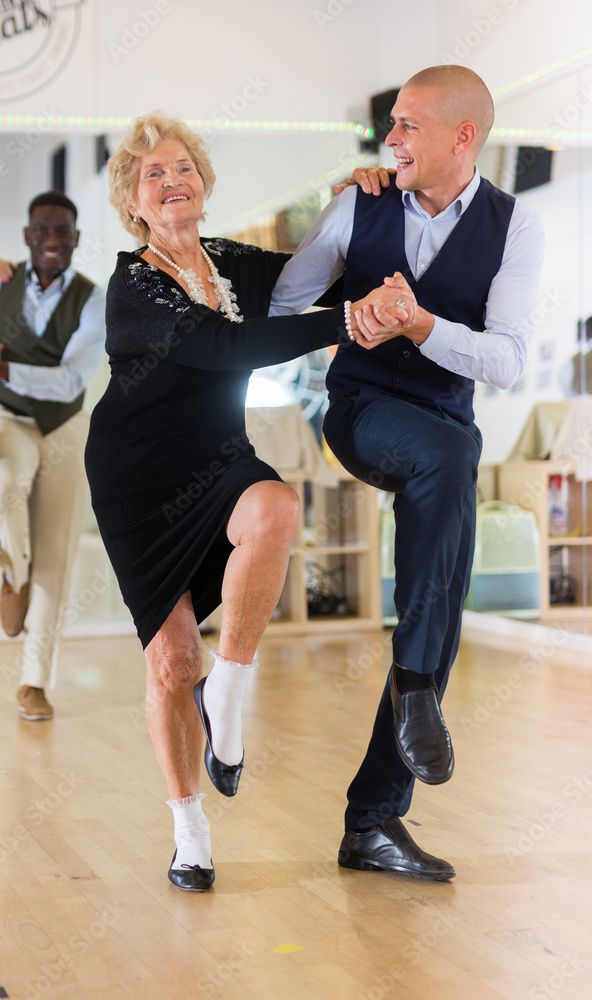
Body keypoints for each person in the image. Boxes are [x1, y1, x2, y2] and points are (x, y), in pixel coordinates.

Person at [84, 112, 409, 891]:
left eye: (183, 167)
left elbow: (321, 271)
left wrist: (355, 201)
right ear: (133, 201)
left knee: (276, 509)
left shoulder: (231, 261)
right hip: (137, 478)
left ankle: (228, 692)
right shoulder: (131, 285)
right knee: (170, 663)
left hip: (218, 456)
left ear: (203, 182)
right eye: (153, 175)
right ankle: (188, 827)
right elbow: (225, 348)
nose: (172, 182)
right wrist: (347, 327)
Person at [271, 65, 545, 879]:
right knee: (453, 462)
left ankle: (373, 822)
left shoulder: (515, 227)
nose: (391, 140)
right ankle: (418, 685)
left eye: (409, 125)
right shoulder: (359, 201)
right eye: (390, 125)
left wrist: (423, 325)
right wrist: (355, 317)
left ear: (463, 138)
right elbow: (287, 305)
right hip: (361, 413)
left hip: (447, 426)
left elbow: (506, 361)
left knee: (444, 591)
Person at [0, 191, 106, 723]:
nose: (51, 241)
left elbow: (69, 379)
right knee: (1, 487)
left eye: (62, 231)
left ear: (76, 239)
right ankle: (11, 574)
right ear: (26, 236)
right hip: (7, 419)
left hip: (64, 427)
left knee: (56, 556)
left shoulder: (94, 299)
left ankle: (34, 681)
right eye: (42, 230)